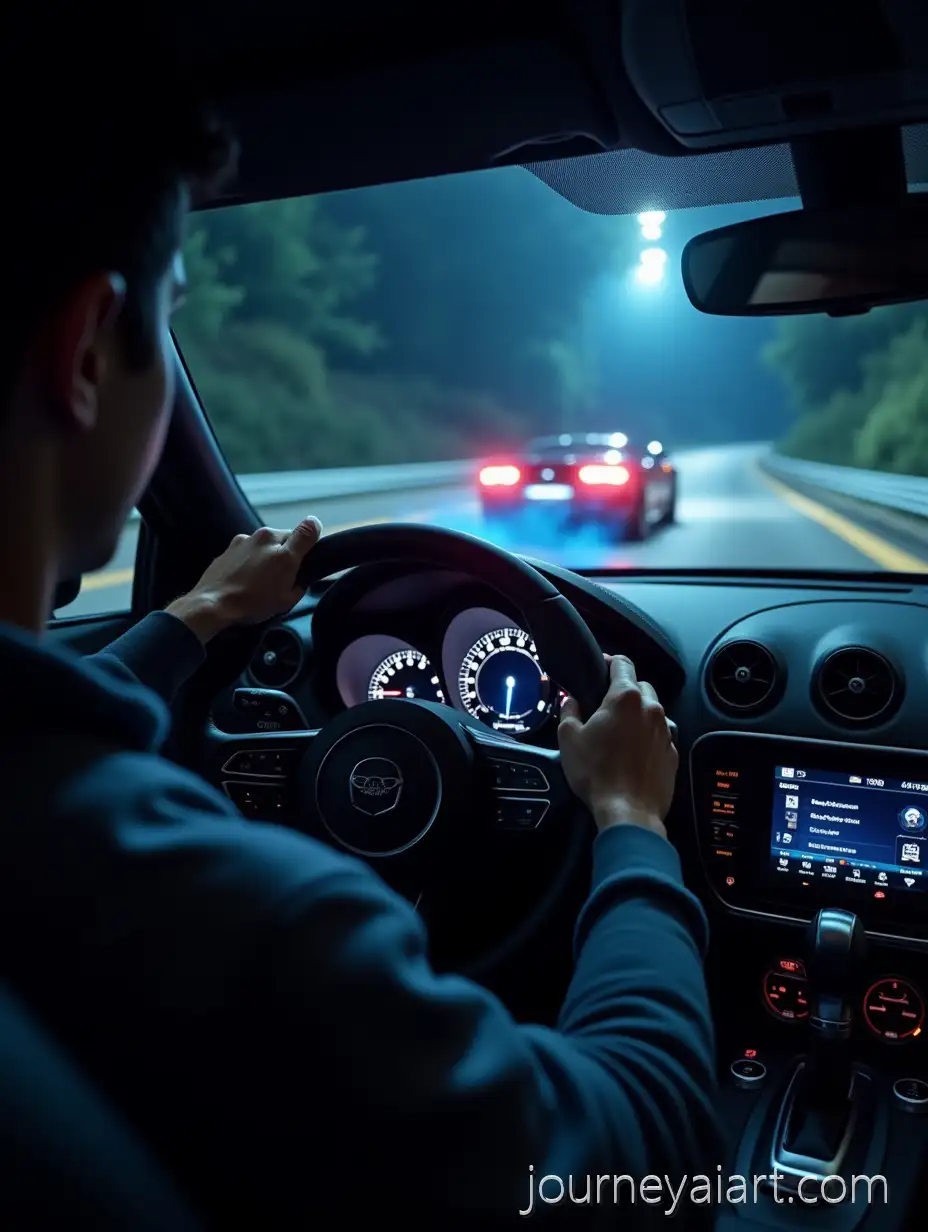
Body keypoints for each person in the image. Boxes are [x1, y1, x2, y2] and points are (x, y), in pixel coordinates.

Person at [0, 18, 721, 1229]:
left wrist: (192, 618)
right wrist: (631, 824)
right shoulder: (247, 929)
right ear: (84, 356)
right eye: (166, 323)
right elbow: (635, 1152)